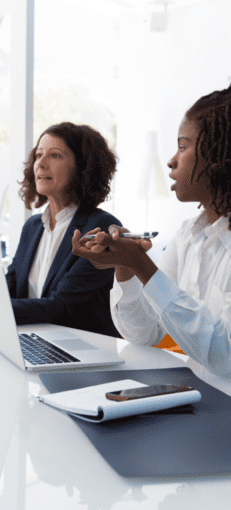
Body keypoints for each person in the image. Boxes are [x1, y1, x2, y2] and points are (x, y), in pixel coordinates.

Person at [72, 85, 231, 376]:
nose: (171, 160)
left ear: (219, 157)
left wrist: (142, 265)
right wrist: (127, 269)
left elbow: (225, 356)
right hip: (195, 396)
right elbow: (146, 333)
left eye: (183, 147)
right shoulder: (188, 235)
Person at [0, 122, 122, 337]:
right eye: (38, 155)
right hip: (35, 339)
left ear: (82, 166)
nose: (40, 164)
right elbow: (13, 285)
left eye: (55, 155)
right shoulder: (33, 227)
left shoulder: (101, 229)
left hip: (83, 351)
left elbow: (61, 307)